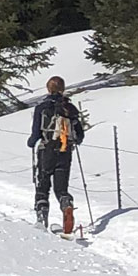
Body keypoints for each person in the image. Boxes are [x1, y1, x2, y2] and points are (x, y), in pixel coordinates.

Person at [26, 76, 87, 234]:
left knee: (43, 184)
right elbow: (79, 136)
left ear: (48, 89)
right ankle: (66, 205)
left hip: (46, 151)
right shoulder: (70, 108)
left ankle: (41, 217)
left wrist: (31, 142)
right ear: (63, 88)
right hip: (64, 151)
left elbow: (35, 134)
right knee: (61, 188)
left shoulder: (42, 107)